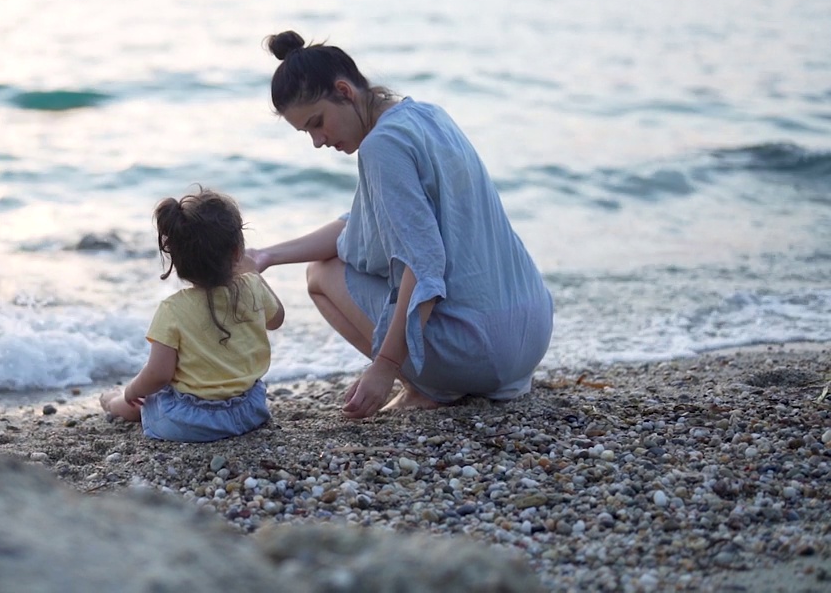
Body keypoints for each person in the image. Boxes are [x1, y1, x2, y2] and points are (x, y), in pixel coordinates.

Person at [248, 31, 554, 420]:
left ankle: (425, 389)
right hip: (532, 337)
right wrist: (266, 256)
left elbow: (424, 262)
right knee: (333, 264)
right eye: (307, 132)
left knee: (321, 275)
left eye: (317, 123)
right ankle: (435, 380)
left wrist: (385, 367)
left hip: (480, 352)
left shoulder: (382, 146)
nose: (318, 141)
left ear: (344, 91)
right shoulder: (428, 115)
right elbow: (357, 227)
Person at [100, 189, 285, 442]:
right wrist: (255, 274)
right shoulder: (251, 287)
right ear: (236, 251)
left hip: (191, 422)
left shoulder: (172, 309)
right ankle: (120, 399)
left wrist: (133, 389)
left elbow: (159, 374)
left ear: (176, 260)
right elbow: (277, 319)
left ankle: (114, 402)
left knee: (145, 397)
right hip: (250, 411)